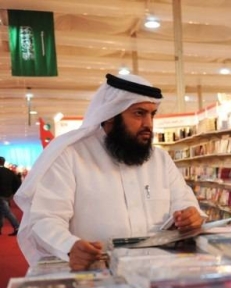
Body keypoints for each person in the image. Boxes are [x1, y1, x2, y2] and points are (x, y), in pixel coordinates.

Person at [15, 73, 206, 271]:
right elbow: (46, 218)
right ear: (111, 115)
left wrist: (191, 215)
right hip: (96, 274)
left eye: (152, 114)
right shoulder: (70, 156)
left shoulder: (160, 160)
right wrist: (70, 247)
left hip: (157, 271)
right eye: (139, 113)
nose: (148, 124)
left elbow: (183, 200)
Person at [0, 157, 21, 236]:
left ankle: (17, 227)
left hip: (1, 195)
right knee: (1, 212)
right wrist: (12, 193)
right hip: (8, 195)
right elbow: (17, 182)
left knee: (7, 212)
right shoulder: (10, 172)